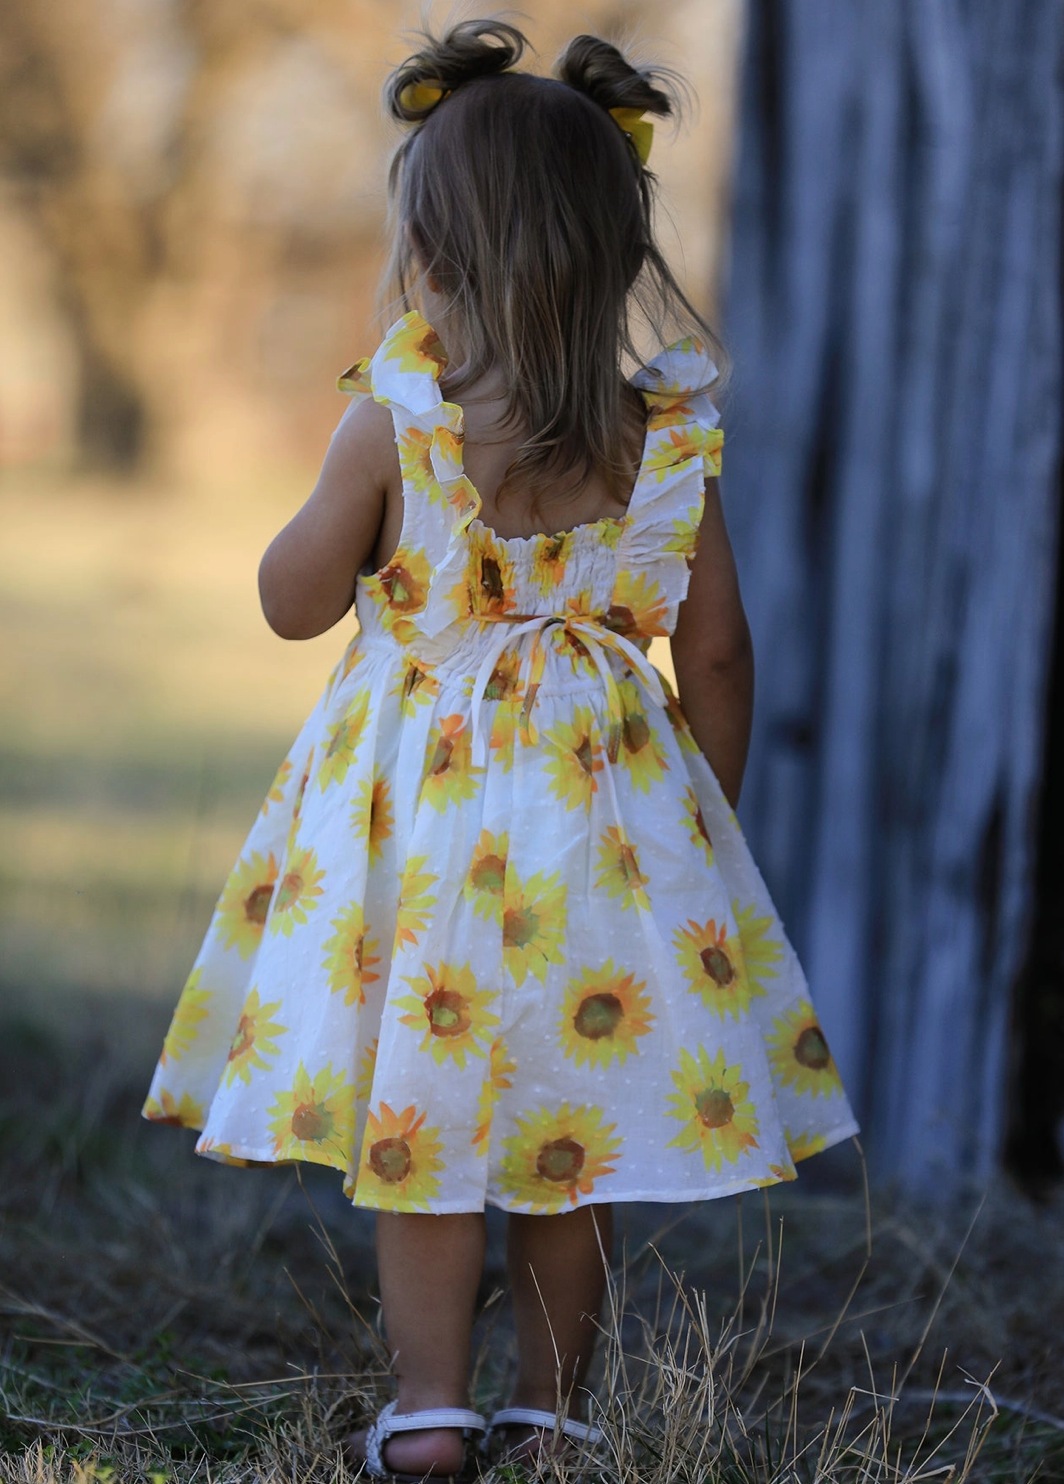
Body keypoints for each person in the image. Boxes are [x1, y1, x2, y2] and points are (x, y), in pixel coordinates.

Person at [143, 19, 858, 1480]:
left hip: (425, 846)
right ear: (612, 248)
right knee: (570, 1137)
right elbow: (716, 655)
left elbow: (289, 605)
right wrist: (699, 829)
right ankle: (554, 1405)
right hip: (604, 847)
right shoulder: (668, 442)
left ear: (435, 249)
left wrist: (337, 510)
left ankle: (427, 1414)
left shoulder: (397, 422)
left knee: (429, 1129)